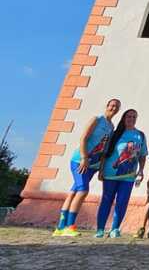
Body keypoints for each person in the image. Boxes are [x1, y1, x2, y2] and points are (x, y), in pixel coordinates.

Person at [54, 98, 121, 237]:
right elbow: (83, 137)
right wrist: (84, 157)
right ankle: (69, 226)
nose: (114, 108)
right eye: (112, 105)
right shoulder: (97, 119)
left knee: (74, 191)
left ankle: (60, 227)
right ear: (107, 105)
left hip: (94, 164)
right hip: (80, 161)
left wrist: (101, 168)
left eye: (116, 107)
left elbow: (104, 149)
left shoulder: (111, 126)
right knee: (83, 190)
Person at [95, 108, 146, 238]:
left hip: (128, 176)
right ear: (124, 118)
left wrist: (141, 170)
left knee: (122, 201)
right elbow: (105, 154)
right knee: (106, 200)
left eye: (134, 117)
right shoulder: (115, 134)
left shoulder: (140, 135)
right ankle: (100, 229)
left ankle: (115, 228)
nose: (131, 119)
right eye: (129, 116)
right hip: (110, 174)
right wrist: (101, 170)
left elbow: (142, 155)